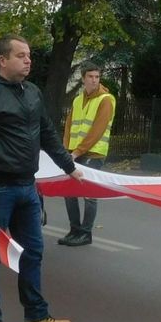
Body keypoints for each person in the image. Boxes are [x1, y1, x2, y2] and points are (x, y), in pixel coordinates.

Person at [0, 35, 83, 322]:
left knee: (33, 252)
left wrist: (68, 166)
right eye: (21, 55)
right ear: (3, 60)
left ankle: (36, 316)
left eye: (29, 55)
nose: (28, 60)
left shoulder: (32, 92)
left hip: (27, 188)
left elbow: (46, 132)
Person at [58, 60, 115, 246]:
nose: (94, 80)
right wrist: (66, 149)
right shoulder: (77, 99)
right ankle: (74, 230)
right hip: (75, 153)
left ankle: (86, 233)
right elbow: (69, 125)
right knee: (69, 191)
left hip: (94, 153)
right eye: (90, 77)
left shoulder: (106, 99)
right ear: (83, 79)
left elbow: (97, 130)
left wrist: (76, 152)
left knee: (89, 194)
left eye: (97, 77)